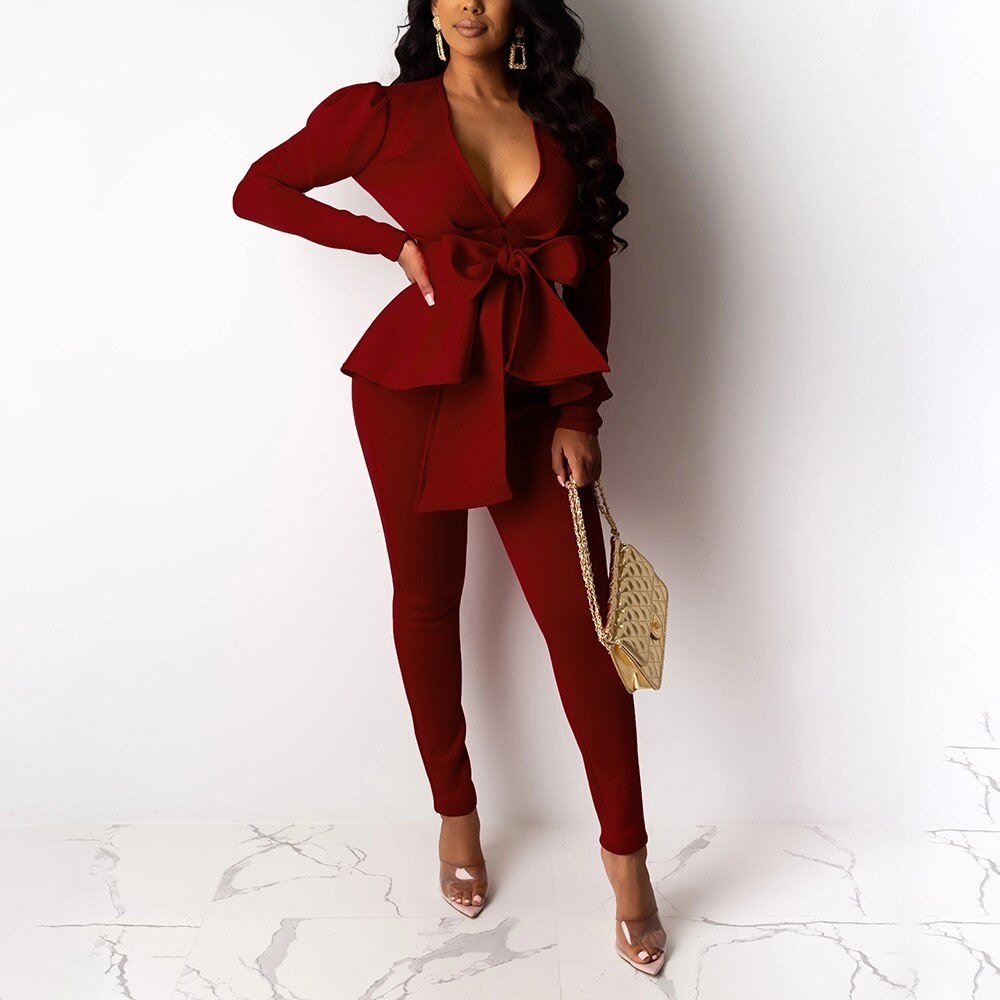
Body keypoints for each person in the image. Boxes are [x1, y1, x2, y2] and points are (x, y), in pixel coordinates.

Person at [232, 0, 666, 975]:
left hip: (531, 395)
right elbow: (259, 189)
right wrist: (388, 243)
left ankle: (628, 862)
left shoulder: (575, 117)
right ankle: (455, 814)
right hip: (416, 392)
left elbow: (591, 275)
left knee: (586, 629)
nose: (469, 2)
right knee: (428, 604)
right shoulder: (379, 115)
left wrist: (580, 412)